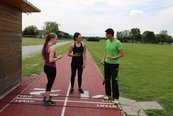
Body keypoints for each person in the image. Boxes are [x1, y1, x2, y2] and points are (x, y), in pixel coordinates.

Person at [101, 28, 124, 105]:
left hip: (114, 64)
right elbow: (106, 50)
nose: (105, 35)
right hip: (107, 63)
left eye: (106, 34)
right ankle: (108, 94)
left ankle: (116, 98)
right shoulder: (107, 41)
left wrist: (114, 58)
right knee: (107, 79)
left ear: (110, 34)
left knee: (114, 81)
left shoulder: (118, 42)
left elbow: (122, 53)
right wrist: (103, 59)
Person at [42, 33, 63, 106]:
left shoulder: (46, 46)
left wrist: (56, 56)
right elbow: (51, 60)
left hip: (46, 67)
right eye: (56, 38)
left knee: (49, 83)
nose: (57, 40)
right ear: (52, 39)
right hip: (51, 68)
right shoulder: (52, 47)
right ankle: (47, 100)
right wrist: (58, 57)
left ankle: (46, 95)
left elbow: (48, 57)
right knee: (50, 84)